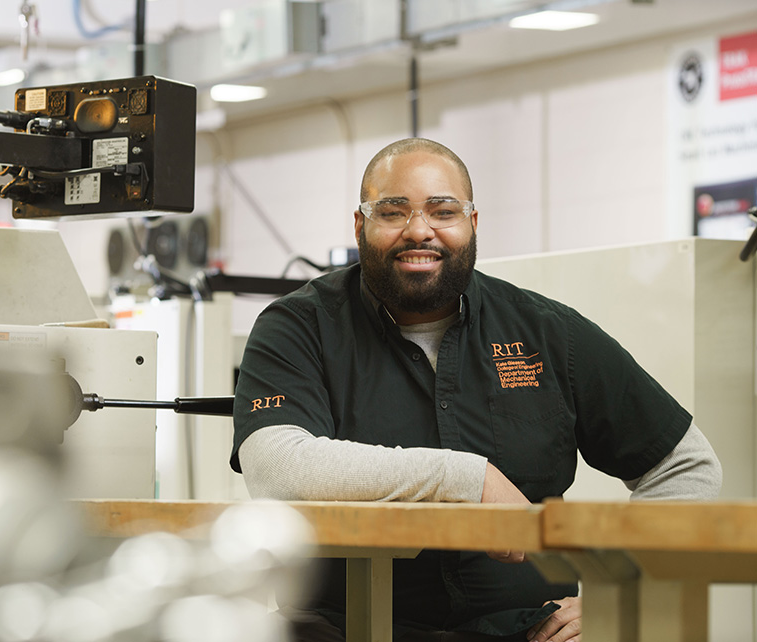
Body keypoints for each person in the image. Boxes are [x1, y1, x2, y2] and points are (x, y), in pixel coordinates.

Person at [230, 138, 723, 642]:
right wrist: (465, 479)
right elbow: (276, 467)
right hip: (342, 629)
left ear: (473, 224)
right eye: (392, 212)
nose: (419, 230)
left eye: (443, 211)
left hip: (527, 632)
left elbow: (685, 467)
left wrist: (619, 590)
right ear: (359, 226)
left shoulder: (547, 332)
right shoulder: (299, 326)